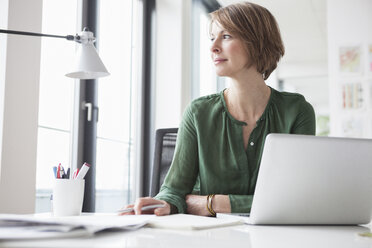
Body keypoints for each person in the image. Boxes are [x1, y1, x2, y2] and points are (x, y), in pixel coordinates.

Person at [120, 2, 315, 217]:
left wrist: (214, 203)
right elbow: (174, 191)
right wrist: (164, 203)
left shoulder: (297, 111)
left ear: (257, 41)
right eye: (212, 37)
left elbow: (296, 198)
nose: (213, 47)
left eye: (227, 36)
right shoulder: (198, 112)